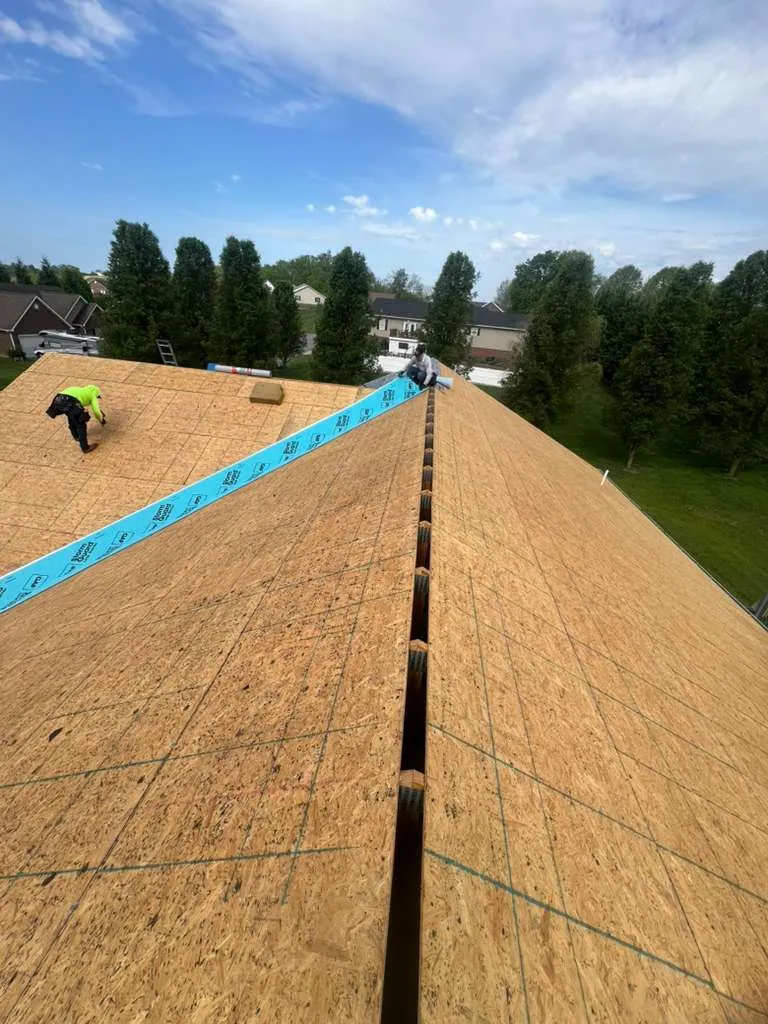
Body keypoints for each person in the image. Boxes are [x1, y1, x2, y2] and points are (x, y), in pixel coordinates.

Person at [45, 384, 106, 453]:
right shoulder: (92, 396)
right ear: (96, 394)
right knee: (81, 423)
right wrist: (101, 420)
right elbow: (96, 411)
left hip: (58, 399)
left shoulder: (80, 390)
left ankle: (76, 436)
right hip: (70, 402)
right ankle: (85, 448)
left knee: (72, 416)